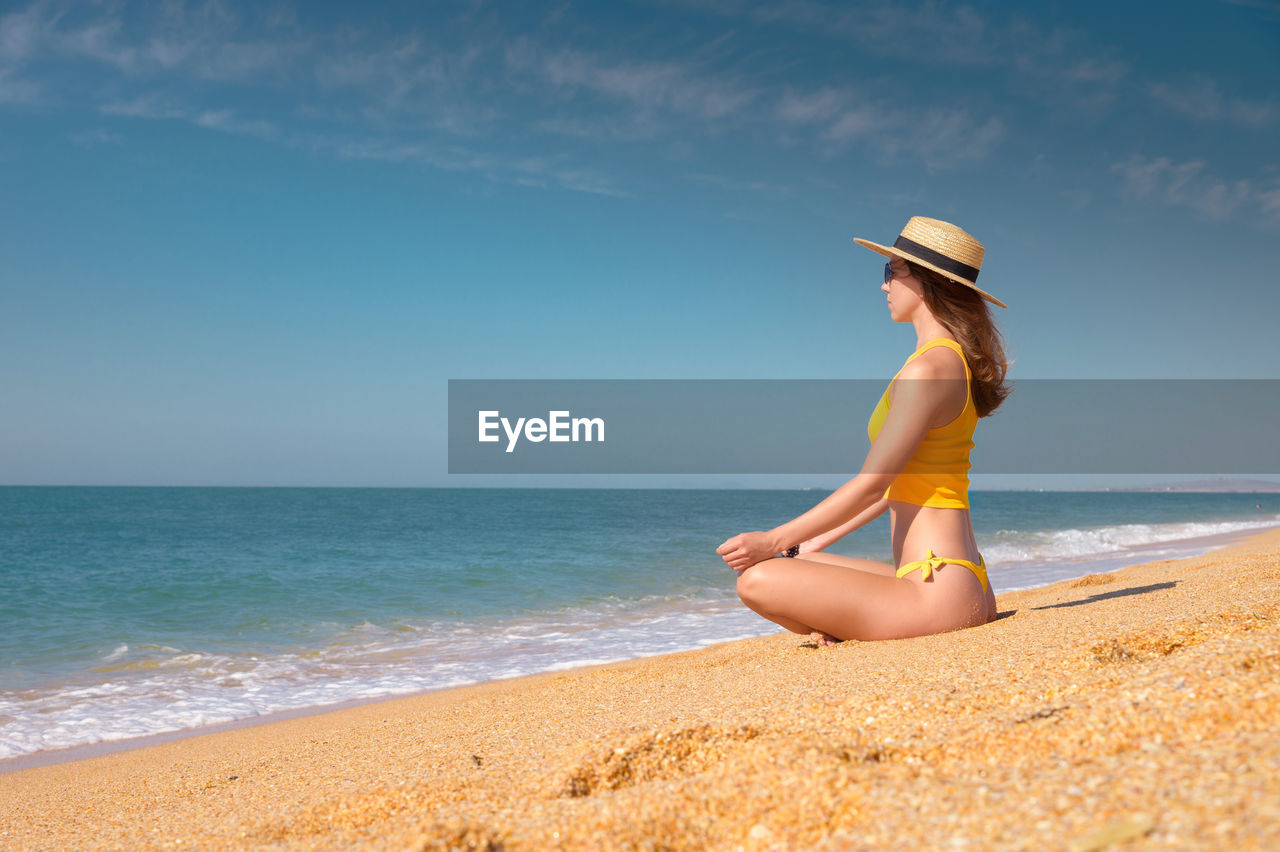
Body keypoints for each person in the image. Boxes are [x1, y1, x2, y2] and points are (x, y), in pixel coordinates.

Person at [717, 216, 1010, 643]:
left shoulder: (927, 370)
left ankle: (845, 625)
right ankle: (842, 618)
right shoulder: (949, 363)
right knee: (801, 562)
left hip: (937, 596)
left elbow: (873, 485)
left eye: (892, 272)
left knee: (756, 581)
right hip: (962, 581)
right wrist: (803, 546)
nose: (884, 285)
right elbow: (899, 486)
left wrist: (771, 540)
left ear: (926, 282)